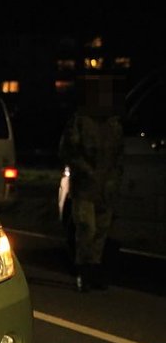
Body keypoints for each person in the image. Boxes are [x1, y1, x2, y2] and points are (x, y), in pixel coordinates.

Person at [58, 74, 125, 293]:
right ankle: (84, 272)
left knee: (101, 231)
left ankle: (94, 271)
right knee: (86, 228)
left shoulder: (114, 123)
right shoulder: (80, 121)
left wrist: (114, 178)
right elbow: (69, 150)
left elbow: (118, 155)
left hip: (106, 186)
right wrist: (85, 171)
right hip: (85, 186)